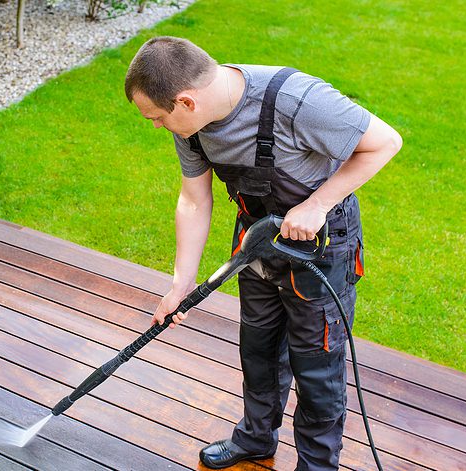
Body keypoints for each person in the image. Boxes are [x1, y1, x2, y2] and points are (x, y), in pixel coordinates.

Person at [124, 36, 402, 470]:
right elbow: (195, 200)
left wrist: (315, 205)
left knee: (316, 369)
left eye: (158, 118)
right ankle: (256, 438)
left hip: (322, 247)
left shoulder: (296, 100)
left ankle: (317, 466)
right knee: (258, 349)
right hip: (257, 239)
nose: (157, 126)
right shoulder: (192, 126)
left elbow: (385, 142)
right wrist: (181, 283)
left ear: (186, 101)